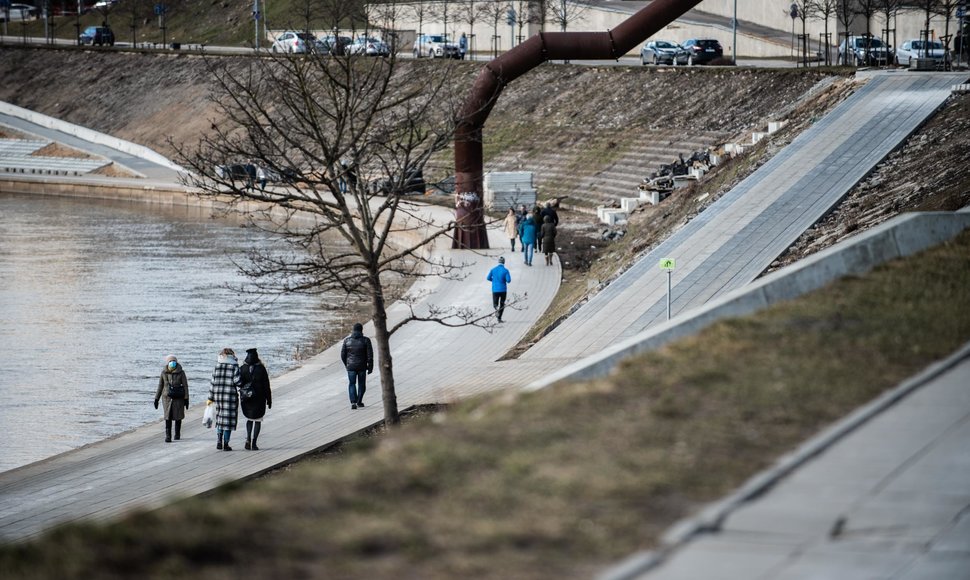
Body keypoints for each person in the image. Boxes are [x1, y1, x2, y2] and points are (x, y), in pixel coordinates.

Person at [207, 347, 240, 451]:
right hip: (229, 396)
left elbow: (212, 383)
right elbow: (237, 381)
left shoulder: (217, 366)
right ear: (232, 355)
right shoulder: (234, 366)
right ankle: (226, 444)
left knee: (220, 418)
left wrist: (210, 398)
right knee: (228, 421)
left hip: (218, 396)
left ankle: (219, 440)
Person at [240, 347, 272, 450]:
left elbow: (239, 383)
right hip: (259, 397)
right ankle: (254, 443)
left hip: (247, 398)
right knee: (258, 419)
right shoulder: (261, 368)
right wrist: (269, 399)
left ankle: (248, 438)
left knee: (249, 419)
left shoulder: (243, 368)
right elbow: (266, 385)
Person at [155, 354, 188, 443]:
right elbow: (160, 386)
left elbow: (185, 386)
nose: (172, 363)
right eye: (170, 361)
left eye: (173, 361)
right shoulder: (163, 372)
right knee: (167, 417)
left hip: (178, 398)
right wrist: (156, 399)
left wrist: (186, 399)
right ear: (168, 362)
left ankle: (177, 434)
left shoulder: (181, 372)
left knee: (178, 416)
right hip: (167, 398)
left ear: (176, 362)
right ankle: (168, 436)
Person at [341, 323, 373, 410]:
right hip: (362, 366)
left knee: (352, 383)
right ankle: (359, 401)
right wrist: (370, 367)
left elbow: (343, 355)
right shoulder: (366, 340)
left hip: (351, 366)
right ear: (361, 330)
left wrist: (347, 364)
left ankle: (353, 402)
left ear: (353, 330)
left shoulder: (346, 341)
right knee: (362, 384)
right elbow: (370, 356)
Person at [487, 256, 512, 322]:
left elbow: (488, 278)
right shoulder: (505, 271)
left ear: (498, 262)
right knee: (502, 304)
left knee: (495, 304)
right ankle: (499, 318)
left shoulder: (493, 269)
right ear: (504, 262)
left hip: (495, 289)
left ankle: (496, 308)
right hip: (503, 290)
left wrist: (494, 280)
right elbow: (508, 280)